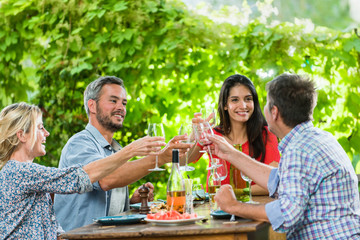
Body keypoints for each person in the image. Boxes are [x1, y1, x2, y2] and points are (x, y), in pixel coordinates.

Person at [210, 73, 360, 239]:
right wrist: (230, 153)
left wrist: (234, 206)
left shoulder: (298, 150)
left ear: (274, 112)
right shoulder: (319, 138)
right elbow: (279, 180)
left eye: (267, 104)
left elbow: (286, 214)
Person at [0, 102, 164, 239]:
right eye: (40, 127)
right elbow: (77, 178)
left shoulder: (29, 178)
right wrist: (132, 150)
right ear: (21, 135)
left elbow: (54, 231)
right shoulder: (18, 171)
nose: (46, 133)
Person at [54, 76, 190, 231]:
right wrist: (160, 157)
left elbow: (111, 199)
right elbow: (106, 180)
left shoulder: (115, 149)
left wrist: (131, 202)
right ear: (92, 105)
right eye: (113, 101)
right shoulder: (79, 144)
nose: (121, 107)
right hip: (80, 236)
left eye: (124, 103)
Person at [188, 74, 280, 195]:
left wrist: (234, 194)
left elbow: (275, 183)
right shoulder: (213, 134)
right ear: (225, 105)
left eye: (248, 99)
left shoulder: (266, 134)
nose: (243, 105)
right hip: (216, 209)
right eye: (235, 100)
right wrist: (193, 137)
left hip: (253, 209)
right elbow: (184, 161)